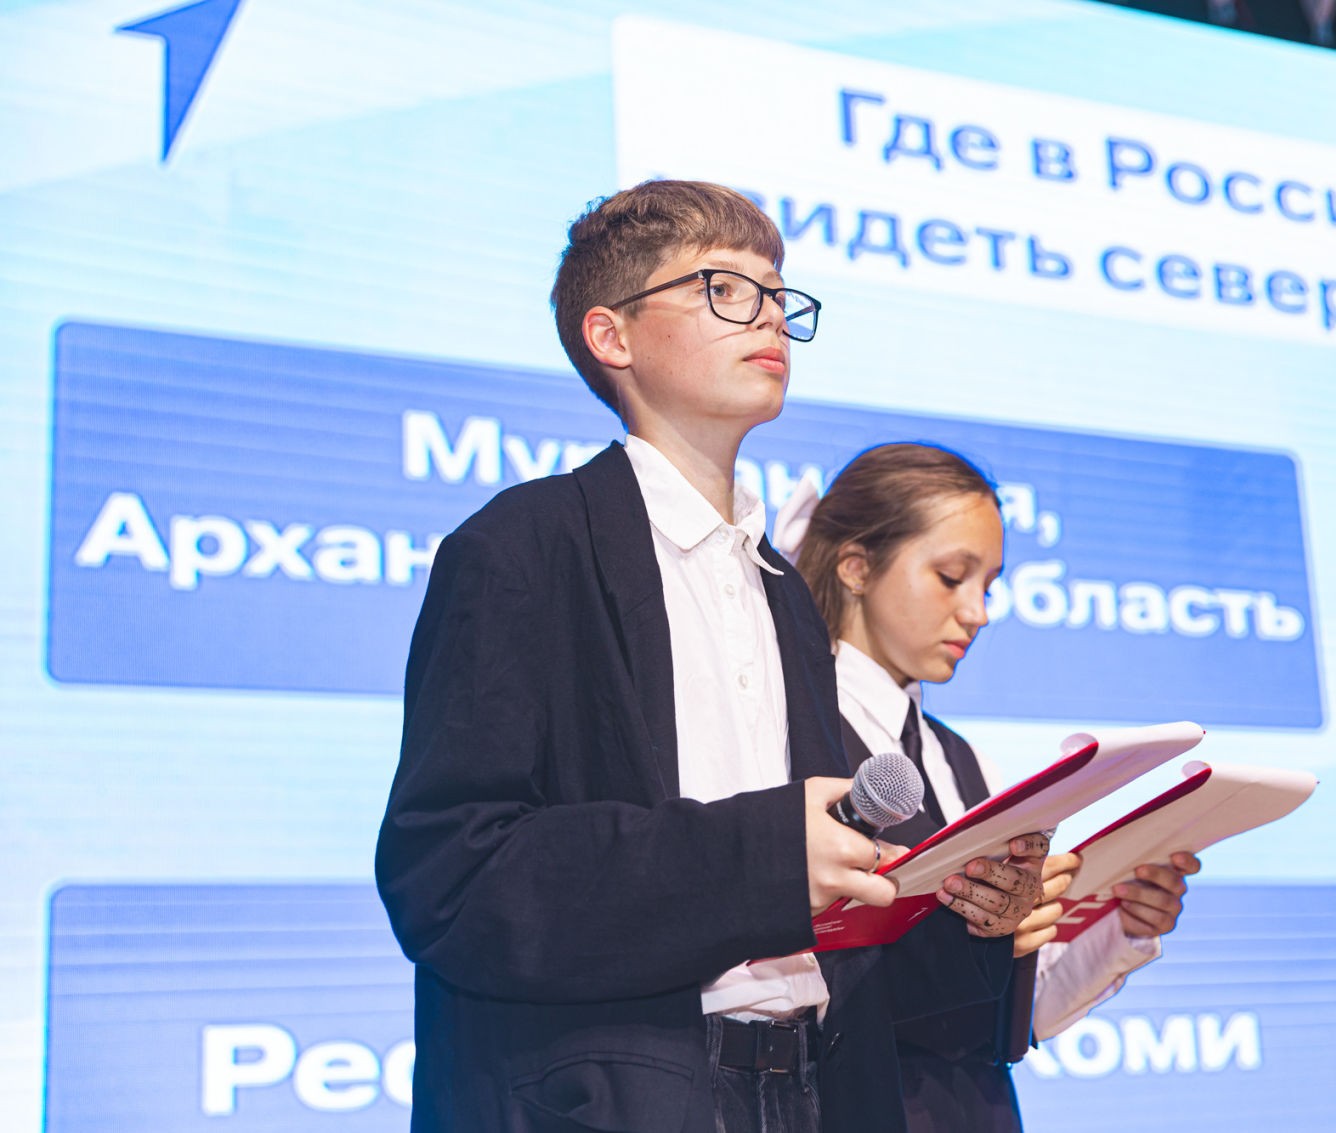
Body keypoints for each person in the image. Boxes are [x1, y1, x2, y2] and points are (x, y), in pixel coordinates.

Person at [374, 181, 1041, 1133]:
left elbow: (850, 949)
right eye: (723, 289)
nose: (767, 315)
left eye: (776, 294)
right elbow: (451, 878)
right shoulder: (526, 544)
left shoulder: (784, 593)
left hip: (818, 1090)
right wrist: (764, 854)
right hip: (622, 1100)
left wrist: (977, 913)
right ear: (612, 336)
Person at [788, 442, 1203, 1132]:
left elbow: (1005, 1024)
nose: (977, 612)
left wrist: (1122, 926)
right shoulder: (787, 730)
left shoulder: (969, 762)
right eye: (951, 577)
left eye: (989, 586)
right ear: (856, 566)